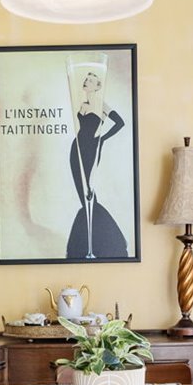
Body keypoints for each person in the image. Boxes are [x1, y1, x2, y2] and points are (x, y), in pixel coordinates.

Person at [65, 64, 128, 260]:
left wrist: (102, 139)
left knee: (89, 194)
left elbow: (120, 122)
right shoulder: (82, 105)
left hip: (91, 149)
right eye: (86, 79)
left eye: (91, 80)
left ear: (98, 86)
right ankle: (87, 244)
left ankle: (103, 242)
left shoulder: (101, 105)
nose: (86, 81)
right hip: (76, 149)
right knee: (82, 196)